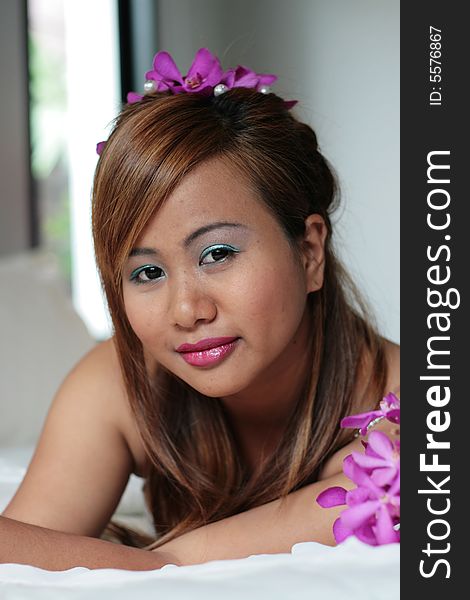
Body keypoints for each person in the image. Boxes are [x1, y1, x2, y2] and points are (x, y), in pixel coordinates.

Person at [1, 49, 399, 570]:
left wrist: (154, 564)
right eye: (147, 273)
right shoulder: (118, 384)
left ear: (309, 252)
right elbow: (19, 557)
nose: (186, 310)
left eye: (217, 254)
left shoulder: (412, 398)